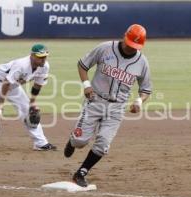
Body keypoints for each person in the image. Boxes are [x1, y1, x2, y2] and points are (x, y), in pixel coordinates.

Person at [64, 24, 152, 187]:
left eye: (135, 47)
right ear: (124, 36)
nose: (131, 49)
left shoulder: (142, 62)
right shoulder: (105, 48)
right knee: (79, 141)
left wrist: (139, 101)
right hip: (95, 101)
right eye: (130, 44)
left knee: (103, 144)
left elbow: (146, 89)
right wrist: (86, 85)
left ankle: (81, 172)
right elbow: (82, 65)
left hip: (117, 108)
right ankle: (72, 141)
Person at [0, 44, 57, 154]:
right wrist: (0, 103)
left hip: (13, 86)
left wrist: (32, 103)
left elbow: (38, 84)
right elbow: (6, 83)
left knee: (28, 111)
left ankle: (40, 143)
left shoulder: (45, 66)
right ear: (32, 56)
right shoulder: (21, 65)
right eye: (40, 57)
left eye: (45, 56)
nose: (43, 59)